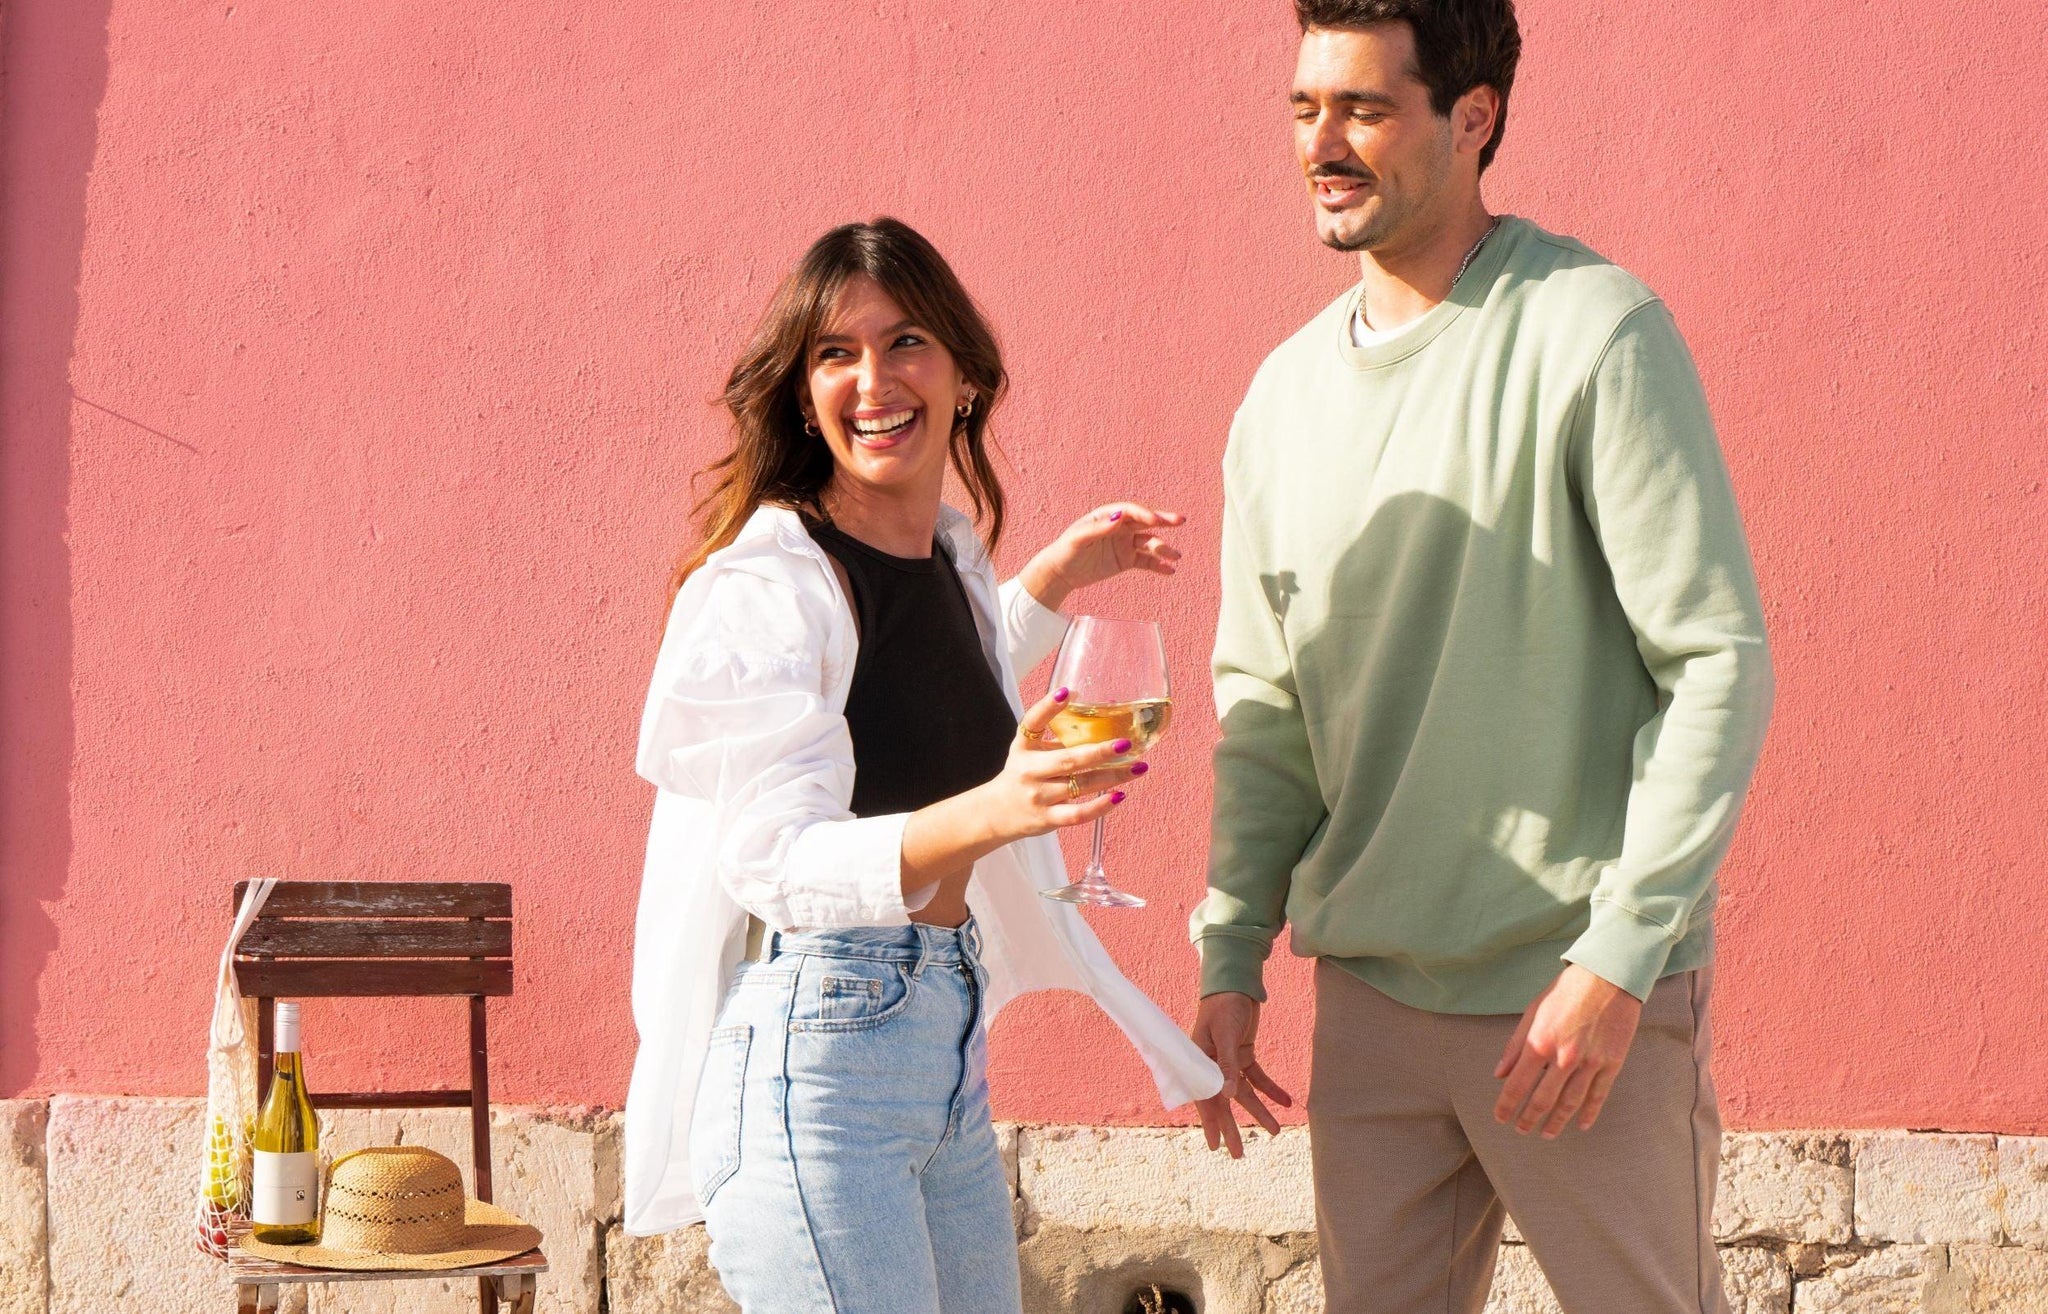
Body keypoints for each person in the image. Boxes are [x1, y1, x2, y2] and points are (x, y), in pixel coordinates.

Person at [1186, 3, 1774, 1311]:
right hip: (1374, 1005)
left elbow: (1718, 663)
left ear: (1474, 118)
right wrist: (1231, 943)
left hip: (1575, 1005)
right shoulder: (1280, 402)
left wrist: (1622, 956)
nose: (1322, 145)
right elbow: (1268, 708)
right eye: (1304, 109)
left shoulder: (1595, 335)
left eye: (1363, 109)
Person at [622, 217, 1223, 1313]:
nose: (872, 380)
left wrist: (1052, 579)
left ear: (962, 376)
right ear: (803, 395)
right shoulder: (764, 588)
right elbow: (774, 857)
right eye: (835, 355)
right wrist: (997, 808)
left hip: (942, 1046)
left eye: (903, 343)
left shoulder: (946, 555)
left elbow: (929, 693)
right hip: (820, 1050)